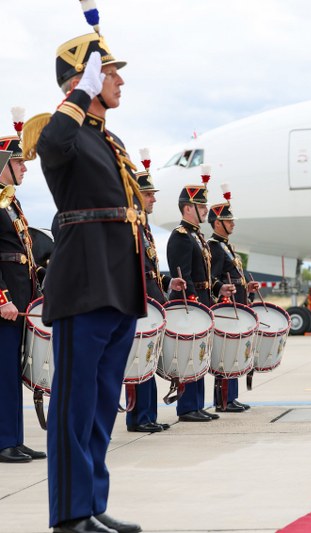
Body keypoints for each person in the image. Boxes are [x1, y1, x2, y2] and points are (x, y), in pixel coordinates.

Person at [37, 33, 145, 533]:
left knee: (103, 405)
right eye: (111, 71)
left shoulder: (107, 138)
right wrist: (80, 91)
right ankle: (69, 514)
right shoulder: (66, 130)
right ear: (85, 79)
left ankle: (92, 503)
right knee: (74, 405)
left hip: (117, 283)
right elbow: (52, 145)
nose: (119, 79)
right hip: (83, 284)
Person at [167, 166, 235, 423]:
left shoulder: (197, 236)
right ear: (187, 209)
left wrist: (219, 288)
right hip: (190, 304)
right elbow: (182, 275)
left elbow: (206, 276)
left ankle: (197, 404)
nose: (206, 210)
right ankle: (186, 407)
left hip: (203, 302)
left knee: (200, 355)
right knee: (189, 356)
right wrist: (194, 302)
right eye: (200, 206)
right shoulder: (181, 236)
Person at [125, 155, 186, 433]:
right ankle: (138, 417)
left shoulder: (144, 227)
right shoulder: (130, 224)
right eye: (149, 194)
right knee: (139, 361)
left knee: (148, 359)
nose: (154, 200)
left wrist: (167, 282)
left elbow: (149, 268)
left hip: (152, 298)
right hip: (139, 302)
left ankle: (148, 414)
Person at [0, 115, 47, 463]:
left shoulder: (11, 203)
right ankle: (4, 441)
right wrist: (2, 298)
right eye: (19, 162)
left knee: (12, 372)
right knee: (2, 372)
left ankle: (14, 437)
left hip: (20, 303)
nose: (25, 169)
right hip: (6, 305)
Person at [207, 185, 259, 412]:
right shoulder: (214, 247)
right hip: (228, 306)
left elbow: (236, 275)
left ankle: (232, 397)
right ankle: (223, 400)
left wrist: (247, 285)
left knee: (237, 353)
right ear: (217, 223)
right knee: (226, 353)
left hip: (239, 302)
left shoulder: (227, 247)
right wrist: (221, 289)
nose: (233, 224)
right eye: (229, 221)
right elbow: (213, 277)